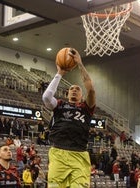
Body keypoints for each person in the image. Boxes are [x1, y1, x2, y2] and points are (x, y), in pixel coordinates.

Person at [42, 48, 96, 188]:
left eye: (77, 89)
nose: (74, 90)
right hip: (58, 153)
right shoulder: (59, 105)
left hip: (79, 154)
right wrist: (60, 73)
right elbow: (46, 97)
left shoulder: (86, 108)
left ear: (81, 96)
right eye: (71, 89)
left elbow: (90, 89)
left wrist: (80, 64)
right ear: (67, 94)